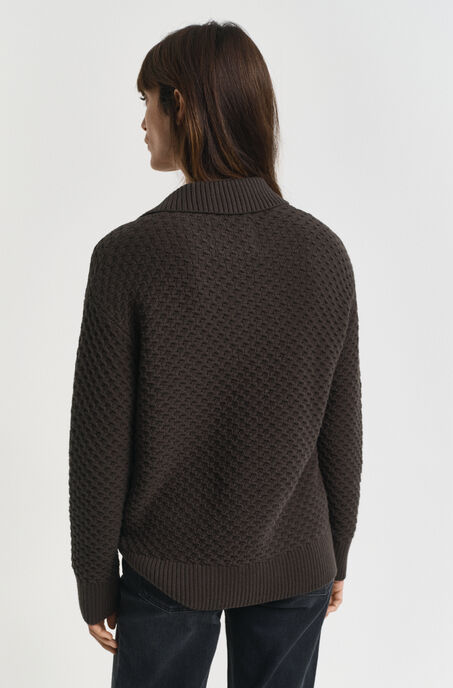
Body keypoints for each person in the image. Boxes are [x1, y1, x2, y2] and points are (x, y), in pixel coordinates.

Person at [68, 20, 363, 688]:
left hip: (165, 567)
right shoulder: (323, 252)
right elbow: (341, 428)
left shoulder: (128, 255)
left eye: (147, 101)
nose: (142, 121)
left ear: (180, 104)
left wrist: (94, 575)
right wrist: (336, 550)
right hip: (297, 558)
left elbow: (100, 442)